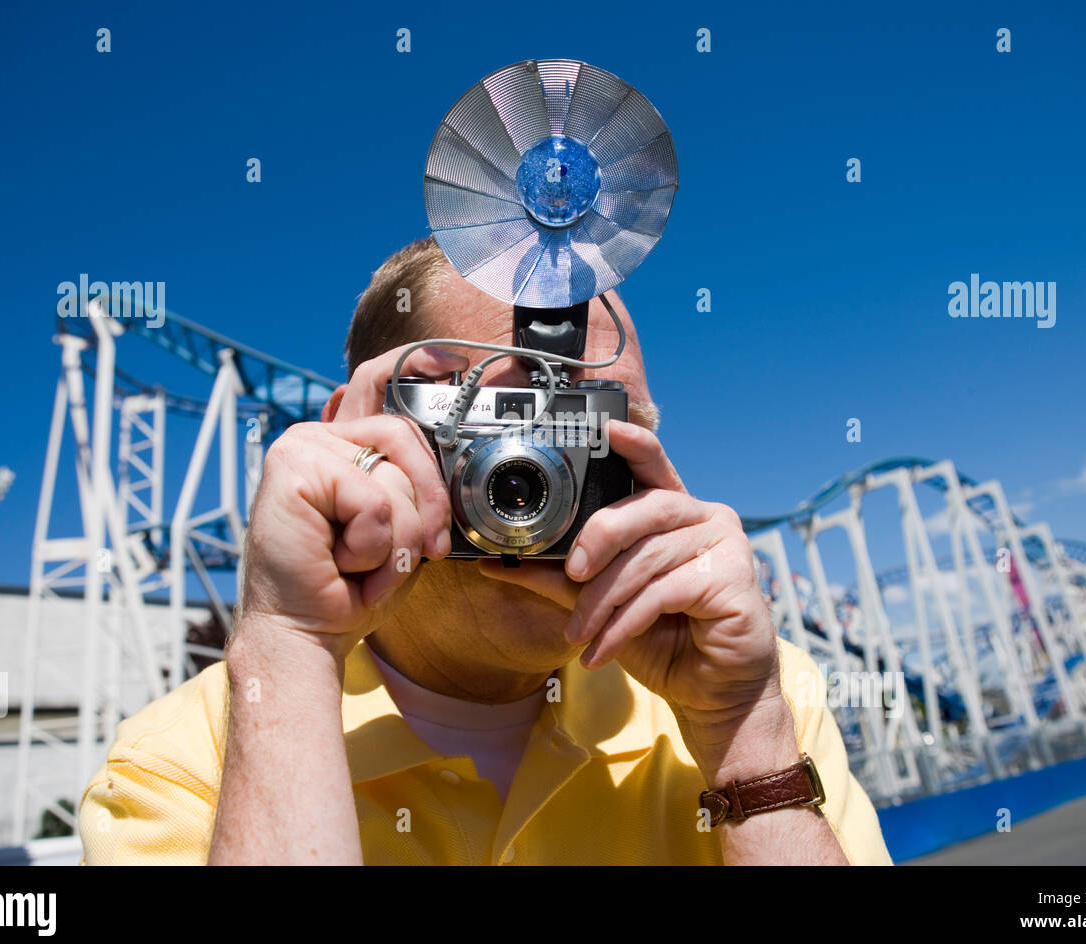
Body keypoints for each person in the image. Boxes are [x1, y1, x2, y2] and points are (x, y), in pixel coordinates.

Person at [78, 237, 893, 865]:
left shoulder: (761, 694)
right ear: (352, 438)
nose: (539, 479)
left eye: (598, 431)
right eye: (502, 421)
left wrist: (744, 742)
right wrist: (287, 645)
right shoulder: (191, 764)